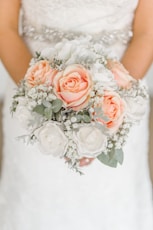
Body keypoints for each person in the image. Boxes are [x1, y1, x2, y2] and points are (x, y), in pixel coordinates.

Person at [0, 0, 153, 229]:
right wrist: (44, 106)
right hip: (30, 90)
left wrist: (109, 107)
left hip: (119, 96)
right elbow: (5, 27)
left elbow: (147, 32)